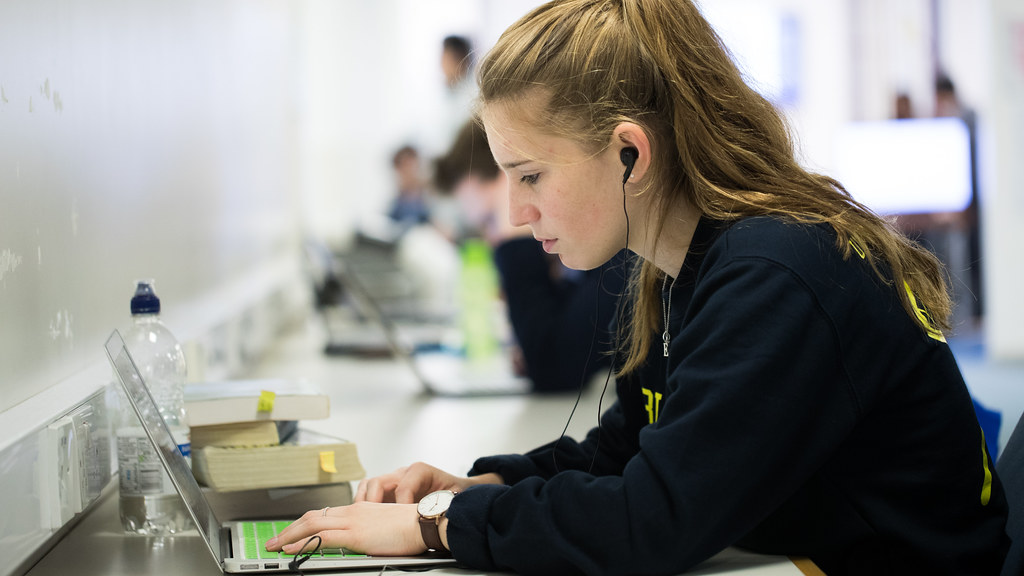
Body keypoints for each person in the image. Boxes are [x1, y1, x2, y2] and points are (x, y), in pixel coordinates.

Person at [267, 1, 1009, 574]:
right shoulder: (684, 263)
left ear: (629, 152)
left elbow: (649, 523)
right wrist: (475, 487)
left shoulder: (776, 274)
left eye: (531, 176)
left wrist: (439, 528)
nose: (518, 214)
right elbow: (628, 451)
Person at [433, 120, 629, 392]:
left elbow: (553, 368)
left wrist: (516, 239)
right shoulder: (585, 266)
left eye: (492, 219)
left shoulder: (624, 257)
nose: (497, 239)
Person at [386, 145, 431, 230]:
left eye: (409, 165)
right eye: (401, 168)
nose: (407, 172)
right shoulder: (395, 206)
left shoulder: (431, 199)